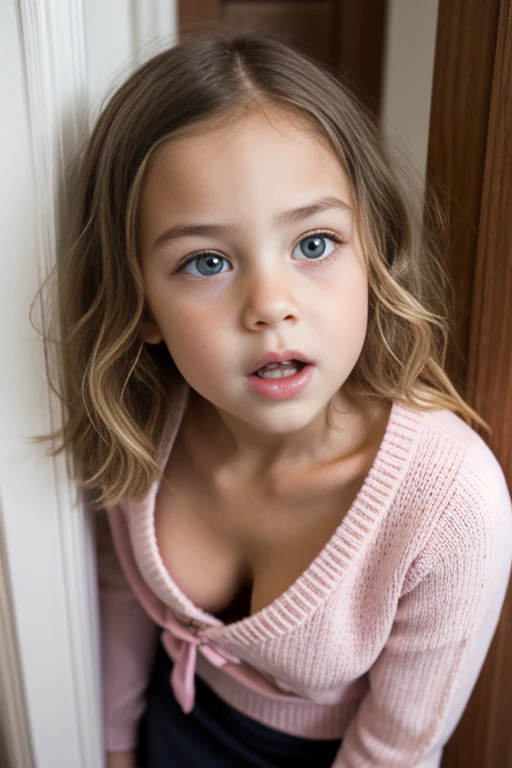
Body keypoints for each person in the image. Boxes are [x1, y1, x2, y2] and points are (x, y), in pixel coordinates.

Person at [41, 30, 512, 768]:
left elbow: (397, 750)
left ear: (373, 252)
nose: (270, 305)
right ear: (140, 307)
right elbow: (124, 596)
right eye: (206, 261)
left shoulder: (450, 504)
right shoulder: (151, 418)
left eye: (315, 244)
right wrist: (112, 750)